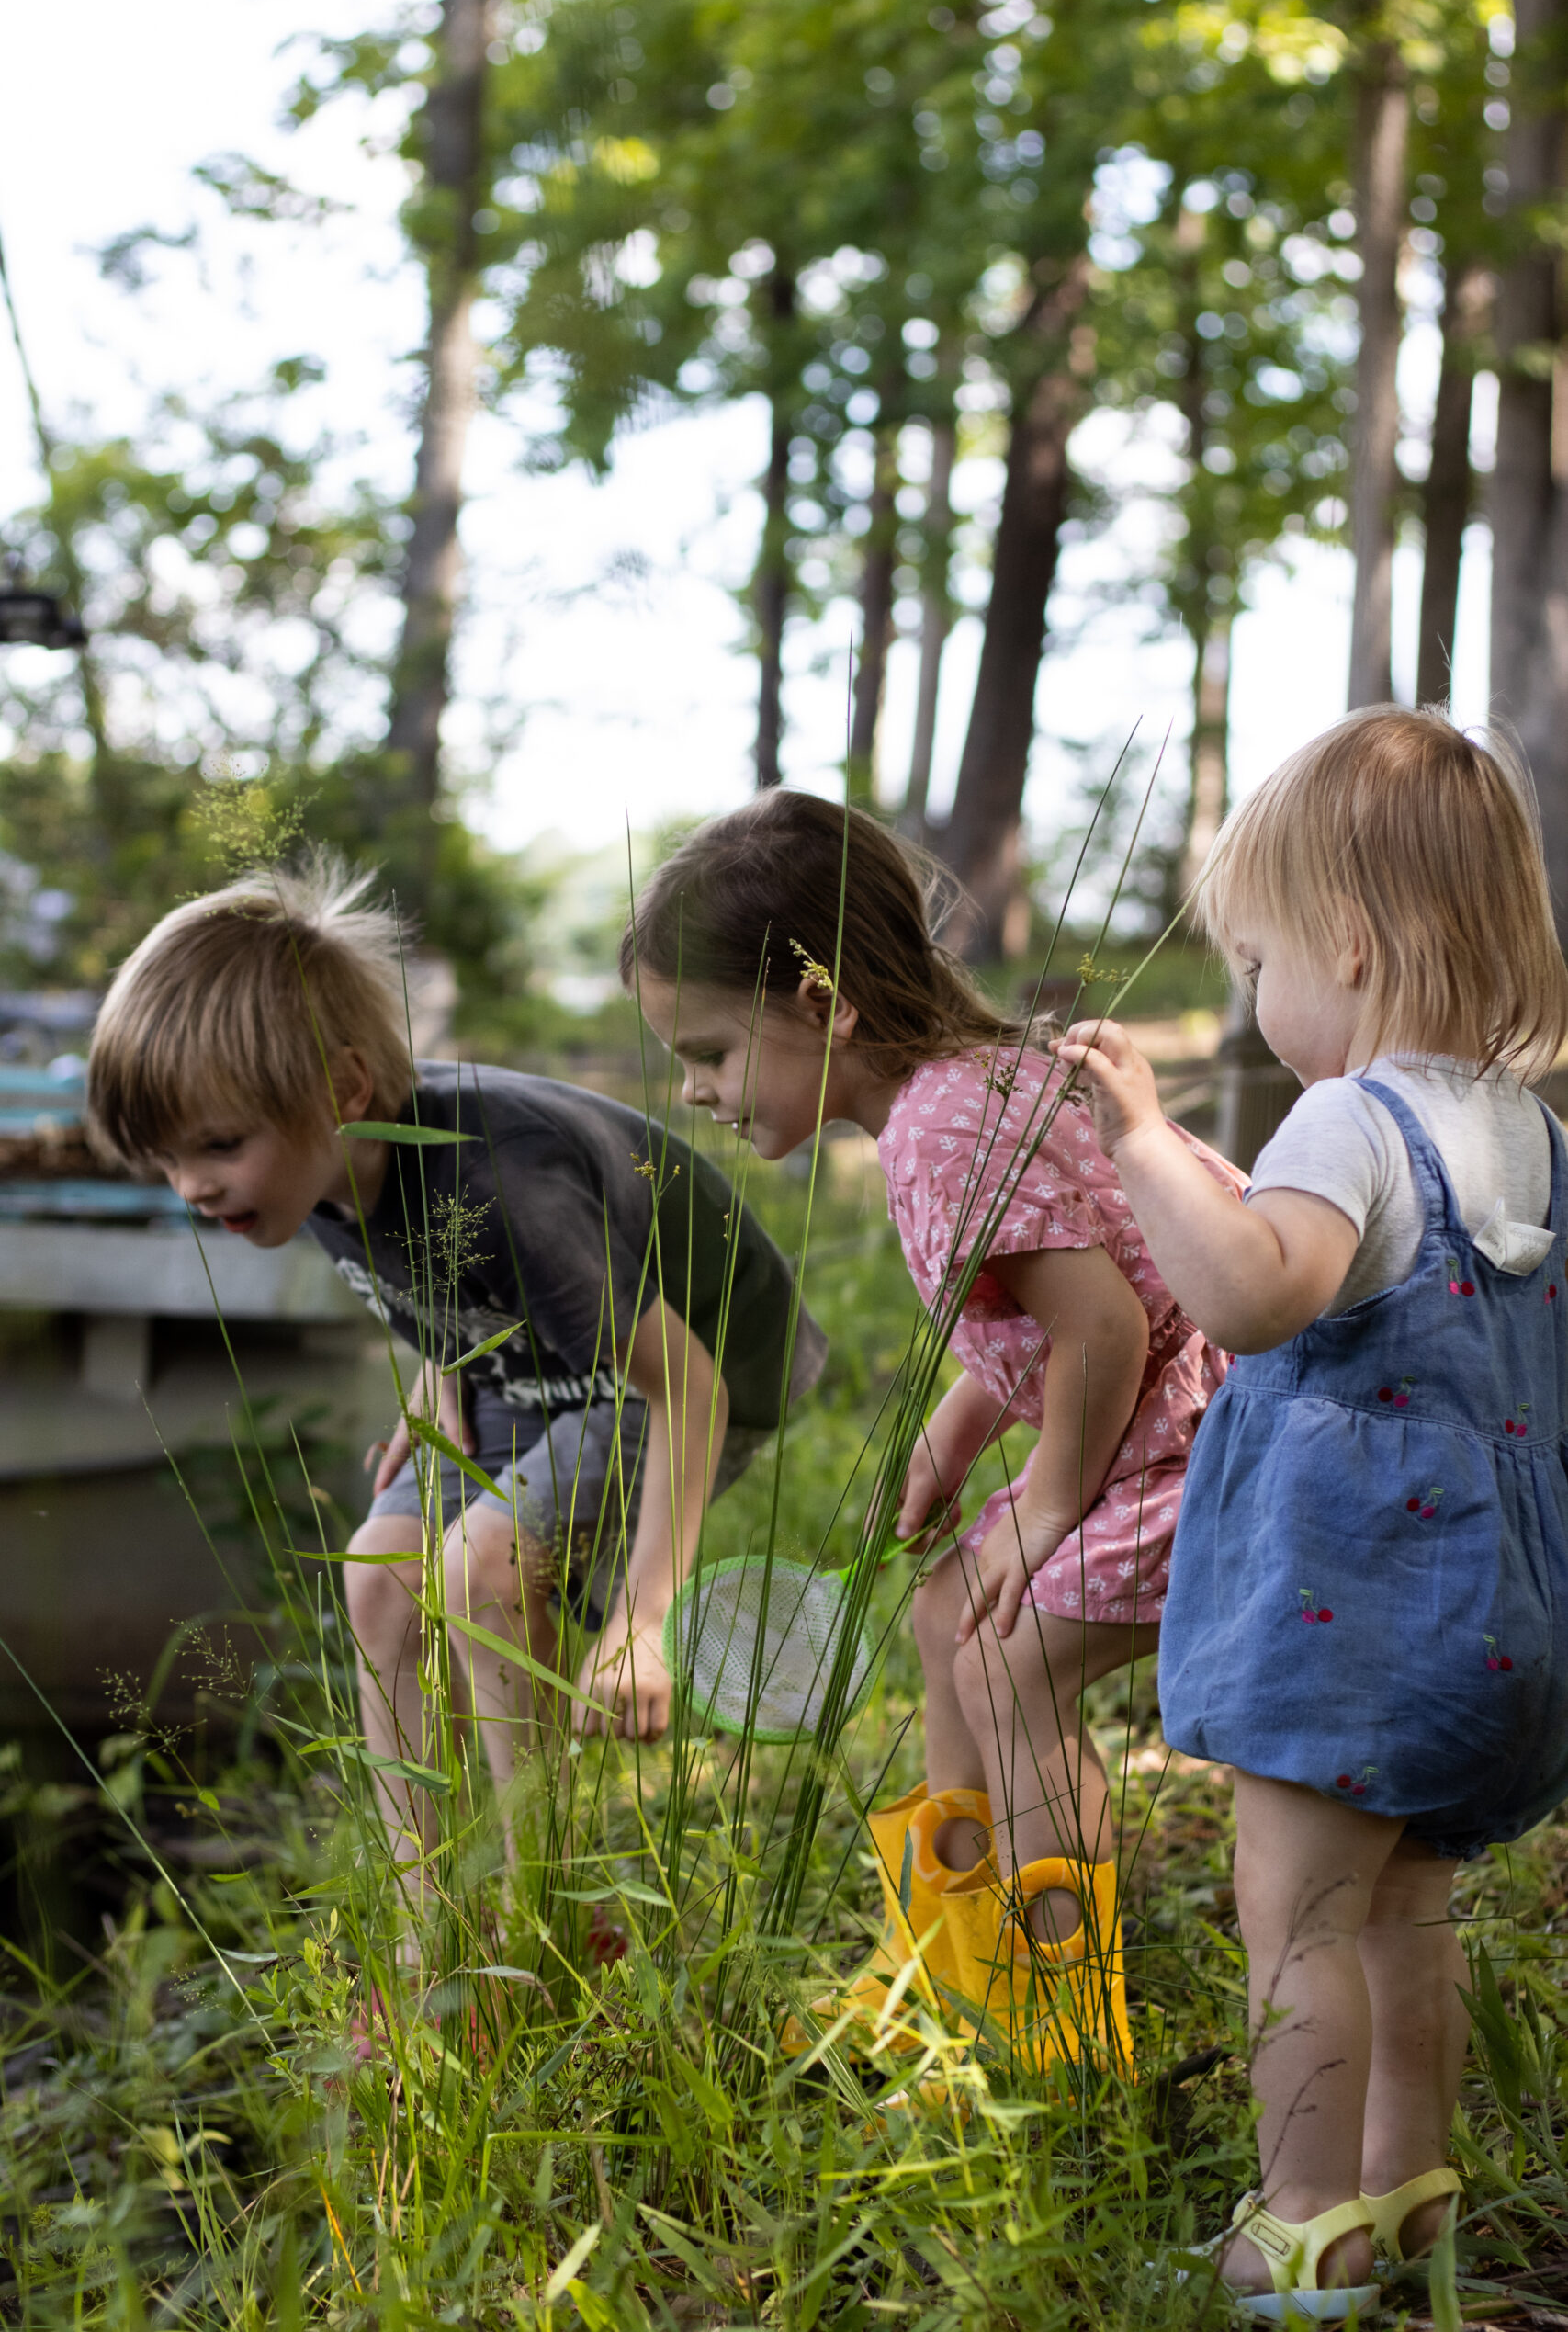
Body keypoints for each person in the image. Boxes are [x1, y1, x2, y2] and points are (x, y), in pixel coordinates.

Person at [1055, 706, 1568, 2321]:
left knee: (1298, 1918)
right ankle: (1411, 2186)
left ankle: (1297, 2223)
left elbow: (1253, 1293)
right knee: (1407, 1908)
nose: (1256, 1001)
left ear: (1343, 945)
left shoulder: (1349, 1118)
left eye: (1259, 959)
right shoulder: (1533, 1136)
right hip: (1499, 1627)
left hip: (1352, 1619)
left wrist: (1142, 1148)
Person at [622, 789, 1241, 2070]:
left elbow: (1112, 1328)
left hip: (1231, 1440)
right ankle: (942, 1960)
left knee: (1007, 1664)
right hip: (1159, 1413)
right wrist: (960, 1432)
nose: (694, 1092)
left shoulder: (945, 1126)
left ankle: (1058, 2027)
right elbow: (1051, 1296)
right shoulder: (951, 1096)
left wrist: (1048, 1502)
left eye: (707, 1053)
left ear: (820, 1005)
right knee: (944, 1611)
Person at [85, 859, 826, 1886]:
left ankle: (543, 1899)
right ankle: (429, 1914)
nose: (192, 1187)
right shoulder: (301, 1170)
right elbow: (429, 1280)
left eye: (215, 1146)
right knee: (379, 1586)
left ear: (344, 1088)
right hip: (527, 1371)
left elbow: (687, 1387)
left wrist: (642, 1623)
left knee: (483, 1571)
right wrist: (443, 1384)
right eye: (166, 1159)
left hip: (693, 1364)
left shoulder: (501, 1183)